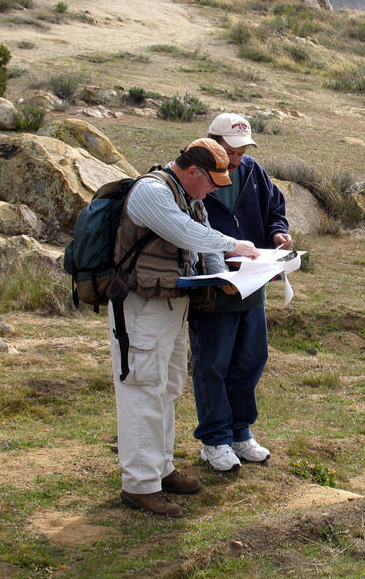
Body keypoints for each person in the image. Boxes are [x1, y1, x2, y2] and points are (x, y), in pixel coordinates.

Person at [111, 138, 259, 517]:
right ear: (193, 171)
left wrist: (225, 276)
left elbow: (204, 247)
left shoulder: (189, 195)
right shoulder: (152, 192)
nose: (212, 191)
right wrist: (236, 245)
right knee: (143, 390)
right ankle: (140, 485)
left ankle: (161, 470)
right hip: (141, 308)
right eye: (211, 182)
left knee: (168, 387)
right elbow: (186, 234)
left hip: (172, 305)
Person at [189, 113, 292, 472]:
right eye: (232, 151)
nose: (236, 159)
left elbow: (275, 211)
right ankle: (215, 440)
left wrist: (278, 234)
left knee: (251, 359)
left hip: (253, 282)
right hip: (213, 287)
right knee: (213, 363)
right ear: (212, 142)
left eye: (242, 150)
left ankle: (240, 432)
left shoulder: (252, 171)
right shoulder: (195, 175)